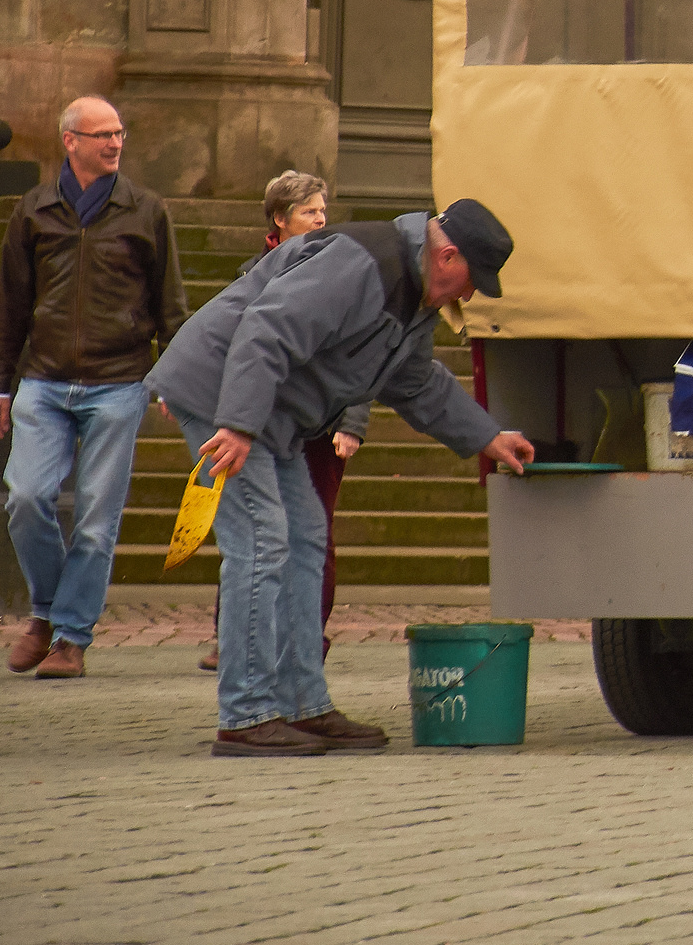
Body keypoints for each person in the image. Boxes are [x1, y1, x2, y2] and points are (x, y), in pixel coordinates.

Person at [146, 200, 536, 755]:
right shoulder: (362, 263)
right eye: (474, 281)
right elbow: (266, 329)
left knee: (306, 537)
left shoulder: (414, 295)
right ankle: (246, 715)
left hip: (269, 412)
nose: (470, 297)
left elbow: (415, 381)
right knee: (262, 540)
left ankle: (303, 705)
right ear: (448, 256)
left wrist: (487, 437)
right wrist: (238, 422)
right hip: (222, 394)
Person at [0, 97, 188, 680]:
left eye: (120, 132)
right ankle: (47, 612)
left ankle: (70, 637)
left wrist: (176, 378)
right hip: (44, 381)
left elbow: (171, 304)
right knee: (26, 499)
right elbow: (9, 304)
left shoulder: (146, 210)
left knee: (97, 521)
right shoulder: (34, 210)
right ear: (70, 141)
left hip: (119, 383)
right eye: (102, 134)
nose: (115, 143)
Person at [198, 172, 359, 673]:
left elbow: (358, 351)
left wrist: (353, 420)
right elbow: (234, 345)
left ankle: (307, 636)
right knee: (254, 531)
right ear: (279, 219)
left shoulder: (340, 271)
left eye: (323, 210)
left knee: (313, 530)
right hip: (264, 422)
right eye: (310, 211)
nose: (321, 219)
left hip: (322, 423)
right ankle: (236, 636)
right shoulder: (252, 274)